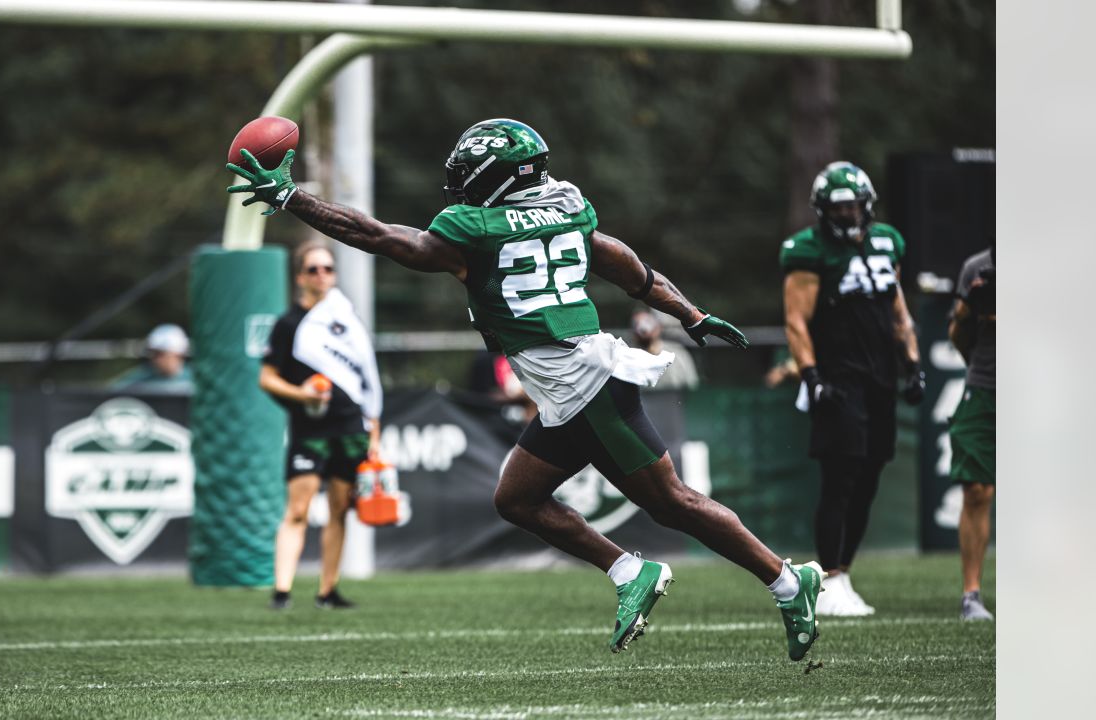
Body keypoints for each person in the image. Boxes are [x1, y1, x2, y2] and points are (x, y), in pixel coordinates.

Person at [229, 118, 824, 661]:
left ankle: (787, 581)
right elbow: (625, 265)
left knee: (672, 503)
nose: (458, 184)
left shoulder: (476, 230)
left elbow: (382, 238)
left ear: (493, 178)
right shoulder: (566, 208)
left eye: (468, 174)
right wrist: (689, 314)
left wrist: (292, 198)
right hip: (569, 391)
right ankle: (627, 572)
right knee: (516, 499)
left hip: (585, 385)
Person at [780, 161, 925, 617]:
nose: (847, 215)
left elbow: (897, 307)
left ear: (867, 205)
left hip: (880, 375)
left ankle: (844, 570)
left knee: (868, 477)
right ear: (823, 211)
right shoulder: (808, 251)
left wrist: (914, 364)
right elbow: (796, 319)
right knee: (840, 478)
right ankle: (827, 579)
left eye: (853, 206)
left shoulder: (887, 242)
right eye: (838, 207)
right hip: (839, 376)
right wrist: (811, 376)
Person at [260, 240, 383, 611]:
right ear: (300, 277)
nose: (322, 275)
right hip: (310, 431)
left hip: (349, 429)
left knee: (339, 510)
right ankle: (282, 592)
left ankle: (327, 591)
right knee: (297, 510)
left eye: (328, 268)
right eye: (313, 269)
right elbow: (267, 378)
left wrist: (374, 435)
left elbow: (367, 382)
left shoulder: (347, 321)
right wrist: (302, 395)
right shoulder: (288, 324)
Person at [948, 245, 995, 621]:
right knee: (976, 489)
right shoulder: (976, 267)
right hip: (985, 386)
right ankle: (971, 594)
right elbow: (957, 336)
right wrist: (969, 311)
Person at [110, 323, 195, 392]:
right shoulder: (140, 379)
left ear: (178, 354)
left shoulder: (196, 379)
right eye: (153, 353)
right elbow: (112, 392)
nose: (155, 359)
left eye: (160, 354)